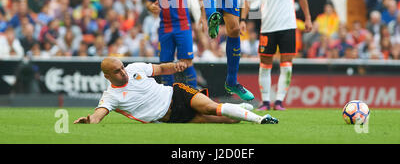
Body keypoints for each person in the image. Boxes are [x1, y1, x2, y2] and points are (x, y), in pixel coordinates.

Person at [73, 57, 278, 124]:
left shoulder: (134, 68)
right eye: (117, 72)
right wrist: (89, 120)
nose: (123, 73)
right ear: (107, 76)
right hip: (171, 117)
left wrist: (176, 66)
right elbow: (99, 115)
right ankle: (240, 108)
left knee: (210, 108)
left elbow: (161, 69)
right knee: (227, 120)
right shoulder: (111, 96)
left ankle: (261, 119)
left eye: (122, 68)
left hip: (176, 94)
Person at [240, 0, 312, 110]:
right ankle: (265, 101)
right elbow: (247, 1)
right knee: (265, 64)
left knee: (286, 64)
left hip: (288, 26)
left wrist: (307, 18)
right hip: (267, 27)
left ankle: (279, 101)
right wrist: (243, 19)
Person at [146, 0, 198, 88]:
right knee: (165, 65)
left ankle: (194, 97)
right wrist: (151, 7)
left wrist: (204, 14)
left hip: (183, 25)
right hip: (165, 27)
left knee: (186, 62)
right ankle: (167, 102)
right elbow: (149, 1)